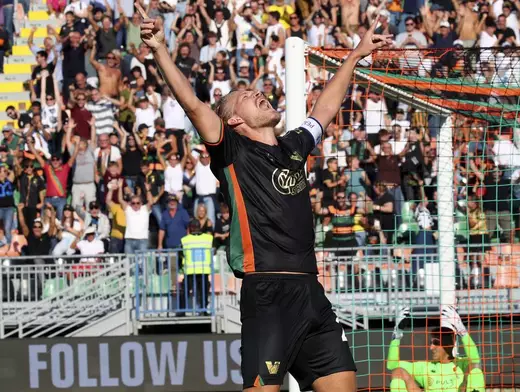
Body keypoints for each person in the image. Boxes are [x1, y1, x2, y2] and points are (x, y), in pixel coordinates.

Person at [137, 3, 391, 391]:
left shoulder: (293, 146)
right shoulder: (231, 151)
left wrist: (356, 54)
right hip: (268, 294)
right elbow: (192, 103)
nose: (256, 91)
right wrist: (158, 49)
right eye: (244, 95)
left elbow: (325, 106)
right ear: (233, 120)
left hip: (311, 291)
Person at [387, 306, 486, 392]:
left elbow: (475, 361)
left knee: (476, 371)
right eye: (431, 343)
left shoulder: (460, 364)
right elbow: (392, 365)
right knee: (398, 372)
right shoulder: (425, 368)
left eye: (436, 343)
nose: (431, 347)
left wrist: (462, 331)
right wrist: (397, 334)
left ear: (447, 344)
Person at [179, 219, 214, 316]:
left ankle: (182, 311)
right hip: (204, 269)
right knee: (203, 292)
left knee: (185, 291)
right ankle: (203, 310)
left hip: (190, 270)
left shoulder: (184, 240)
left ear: (190, 228)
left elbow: (180, 253)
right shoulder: (209, 238)